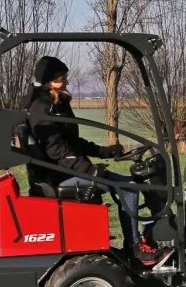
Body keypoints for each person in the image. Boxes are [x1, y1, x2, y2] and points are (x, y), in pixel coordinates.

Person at [27, 56, 163, 264]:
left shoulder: (57, 103)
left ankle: (143, 240)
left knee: (130, 186)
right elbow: (55, 149)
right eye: (61, 78)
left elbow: (73, 142)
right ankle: (134, 247)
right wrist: (88, 170)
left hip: (68, 170)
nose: (66, 82)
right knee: (129, 189)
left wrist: (105, 152)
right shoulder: (42, 108)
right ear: (48, 81)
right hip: (57, 176)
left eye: (64, 78)